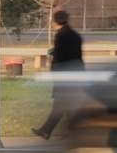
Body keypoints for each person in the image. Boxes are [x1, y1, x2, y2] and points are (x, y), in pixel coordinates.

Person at [31, 10, 84, 140]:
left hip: (64, 76)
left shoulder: (61, 36)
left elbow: (59, 58)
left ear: (54, 22)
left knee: (62, 105)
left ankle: (77, 132)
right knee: (66, 105)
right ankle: (47, 130)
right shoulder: (75, 35)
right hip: (76, 74)